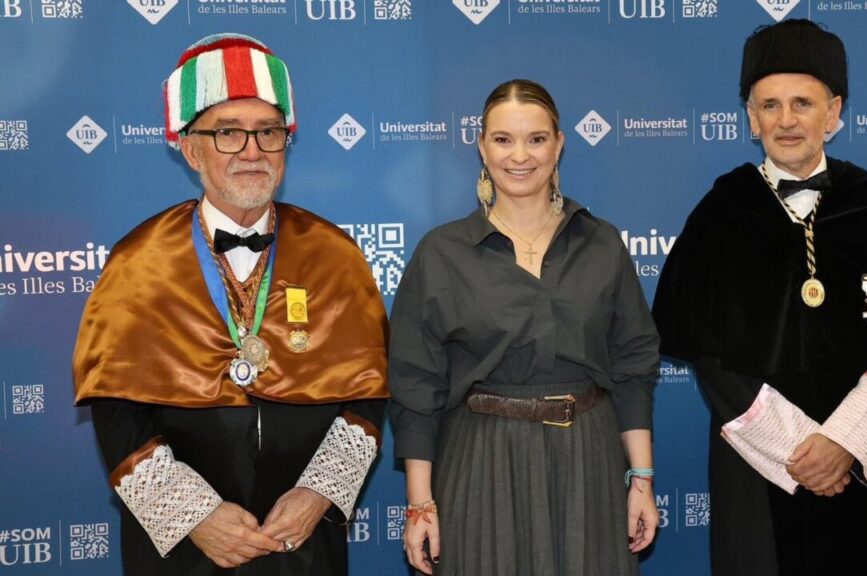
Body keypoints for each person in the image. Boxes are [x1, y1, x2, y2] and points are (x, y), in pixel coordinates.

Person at [652, 19, 867, 576]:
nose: (786, 120)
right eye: (770, 104)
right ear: (751, 117)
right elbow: (709, 356)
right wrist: (800, 450)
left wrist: (844, 445)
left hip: (865, 463)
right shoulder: (720, 214)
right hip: (759, 468)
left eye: (803, 102)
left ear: (835, 111)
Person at [72, 33, 388, 575]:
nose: (251, 150)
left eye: (268, 132)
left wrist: (316, 496)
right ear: (191, 148)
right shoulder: (137, 261)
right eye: (227, 133)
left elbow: (367, 396)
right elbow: (116, 410)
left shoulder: (336, 255)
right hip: (182, 550)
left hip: (304, 545)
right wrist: (197, 516)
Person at [388, 79, 660, 576]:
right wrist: (420, 506)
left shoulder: (602, 244)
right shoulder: (441, 252)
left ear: (559, 145)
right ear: (481, 146)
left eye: (536, 139)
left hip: (589, 459)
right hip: (482, 460)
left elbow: (634, 366)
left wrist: (641, 478)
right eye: (503, 139)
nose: (520, 155)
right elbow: (415, 386)